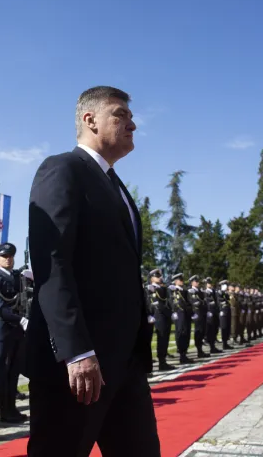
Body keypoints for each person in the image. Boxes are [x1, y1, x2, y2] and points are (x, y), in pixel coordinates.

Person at [27, 86, 160, 457]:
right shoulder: (63, 169)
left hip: (124, 363)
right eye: (121, 115)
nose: (132, 124)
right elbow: (52, 263)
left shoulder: (116, 186)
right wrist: (76, 352)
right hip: (79, 365)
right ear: (90, 120)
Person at [0, 242, 31, 423]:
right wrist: (20, 320)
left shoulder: (18, 277)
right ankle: (4, 411)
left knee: (14, 371)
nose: (8, 259)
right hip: (3, 331)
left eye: (11, 256)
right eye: (4, 256)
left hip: (17, 332)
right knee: (3, 371)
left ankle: (12, 408)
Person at [148, 268, 176, 370]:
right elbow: (155, 304)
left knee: (165, 338)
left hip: (165, 316)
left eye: (160, 276)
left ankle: (163, 360)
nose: (160, 278)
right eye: (157, 276)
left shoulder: (163, 288)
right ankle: (160, 361)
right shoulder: (150, 288)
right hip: (158, 315)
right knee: (161, 337)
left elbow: (168, 301)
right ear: (151, 278)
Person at [169, 272, 193, 364]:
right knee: (181, 332)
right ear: (176, 281)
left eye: (182, 279)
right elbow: (172, 302)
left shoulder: (185, 291)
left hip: (186, 314)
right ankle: (182, 354)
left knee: (186, 333)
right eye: (180, 280)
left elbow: (188, 302)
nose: (182, 281)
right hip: (179, 314)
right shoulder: (172, 290)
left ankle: (184, 353)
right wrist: (173, 311)